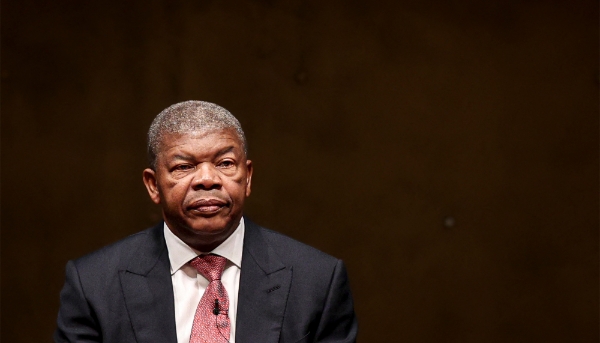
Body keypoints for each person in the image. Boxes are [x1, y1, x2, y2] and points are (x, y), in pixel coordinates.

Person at [54, 101, 358, 343]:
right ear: (153, 185)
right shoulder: (93, 285)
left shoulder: (318, 280)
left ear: (247, 177)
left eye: (225, 163)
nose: (208, 180)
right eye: (184, 166)